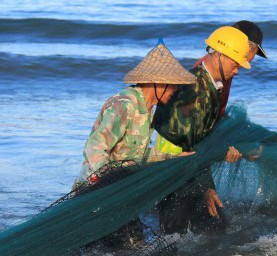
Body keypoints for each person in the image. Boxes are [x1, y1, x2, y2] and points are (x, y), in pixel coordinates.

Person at [72, 40, 196, 245]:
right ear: (157, 82)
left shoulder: (146, 111)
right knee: (129, 245)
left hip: (120, 195)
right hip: (96, 195)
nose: (175, 89)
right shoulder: (124, 105)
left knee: (135, 244)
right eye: (172, 84)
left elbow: (138, 156)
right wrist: (106, 184)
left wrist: (172, 158)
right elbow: (95, 146)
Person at [151, 23, 265, 234]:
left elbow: (202, 136)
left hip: (189, 169)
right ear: (220, 55)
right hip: (173, 171)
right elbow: (189, 146)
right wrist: (207, 187)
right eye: (236, 63)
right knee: (175, 238)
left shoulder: (212, 84)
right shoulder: (195, 90)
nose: (238, 70)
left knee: (211, 233)